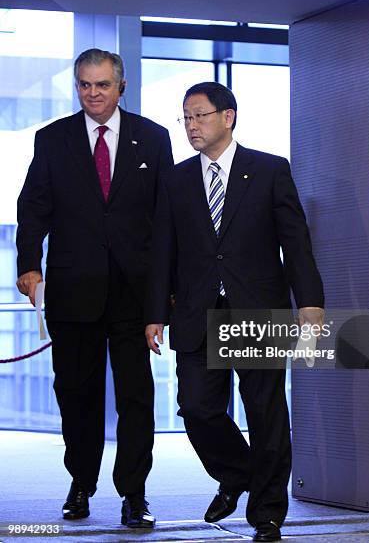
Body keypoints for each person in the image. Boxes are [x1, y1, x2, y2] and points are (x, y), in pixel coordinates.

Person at [145, 82, 324, 542]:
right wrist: (154, 313)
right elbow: (162, 250)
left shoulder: (268, 170)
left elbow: (294, 241)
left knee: (265, 413)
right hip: (196, 311)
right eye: (185, 117)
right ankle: (240, 473)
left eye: (200, 116)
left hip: (256, 310)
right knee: (197, 409)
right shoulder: (177, 179)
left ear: (228, 117)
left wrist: (309, 301)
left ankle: (267, 514)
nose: (191, 126)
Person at [16, 48, 173, 528]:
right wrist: (28, 264)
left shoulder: (153, 138)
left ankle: (135, 494)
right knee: (77, 396)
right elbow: (33, 207)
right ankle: (80, 484)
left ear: (120, 86)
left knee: (135, 399)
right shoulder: (53, 138)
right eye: (84, 85)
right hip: (72, 290)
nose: (92, 93)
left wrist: (165, 293)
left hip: (133, 295)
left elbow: (167, 221)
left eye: (102, 84)